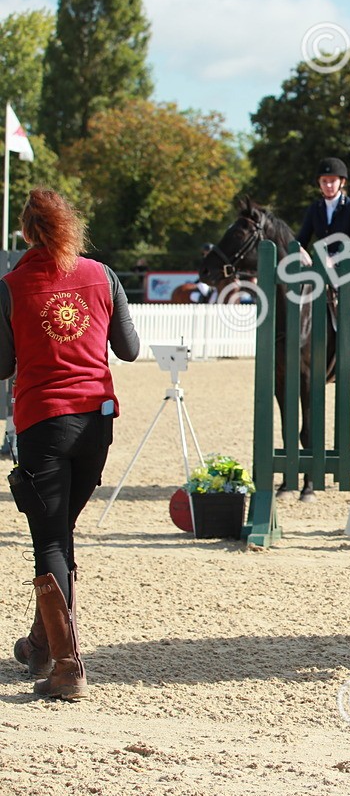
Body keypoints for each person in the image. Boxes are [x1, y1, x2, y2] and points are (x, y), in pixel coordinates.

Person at [1, 188, 140, 700]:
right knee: (60, 528)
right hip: (96, 425)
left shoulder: (11, 286)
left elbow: (1, 366)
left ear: (25, 233)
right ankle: (41, 644)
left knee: (51, 541)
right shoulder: (102, 275)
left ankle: (65, 668)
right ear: (70, 227)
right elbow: (129, 349)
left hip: (44, 424)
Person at [297, 157, 350, 379]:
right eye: (324, 181)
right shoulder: (315, 209)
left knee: (348, 303)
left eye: (332, 181)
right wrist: (299, 249)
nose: (328, 185)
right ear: (319, 183)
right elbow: (301, 238)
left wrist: (336, 258)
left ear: (341, 183)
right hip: (321, 269)